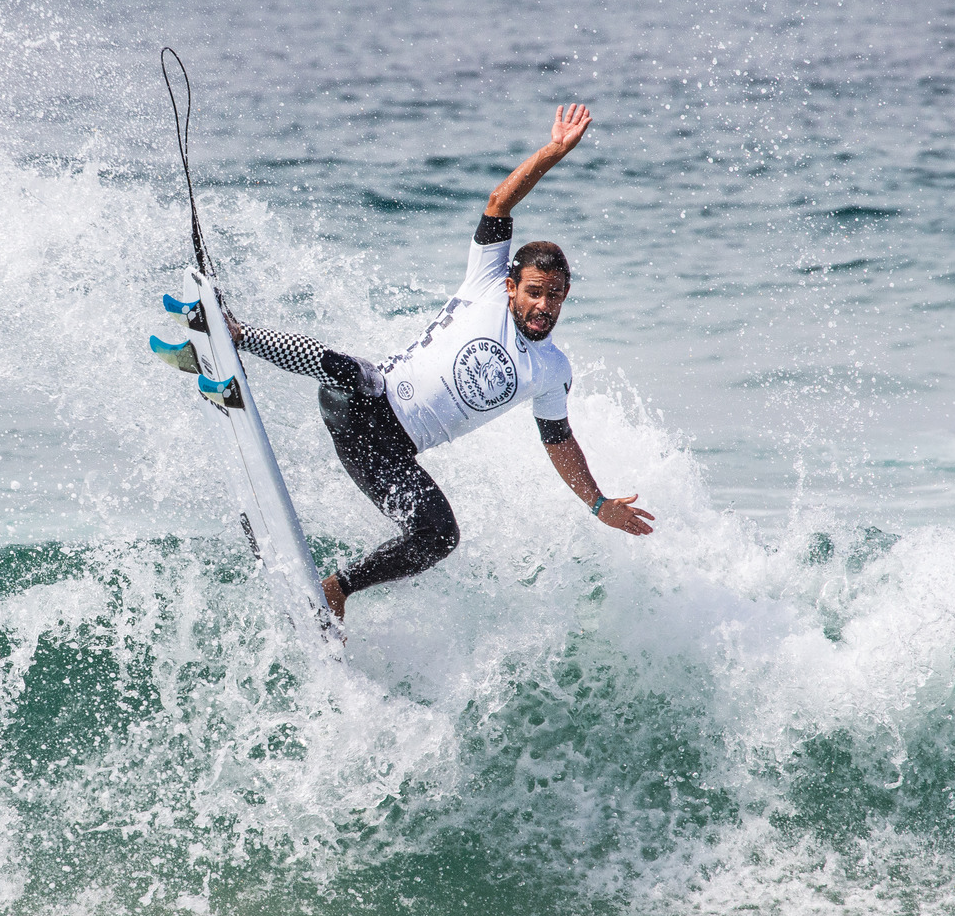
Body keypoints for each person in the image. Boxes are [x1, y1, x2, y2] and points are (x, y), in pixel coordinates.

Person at [231, 104, 654, 621]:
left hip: (386, 456)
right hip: (363, 400)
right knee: (358, 375)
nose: (545, 305)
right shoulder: (485, 285)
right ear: (511, 287)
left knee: (439, 536)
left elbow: (559, 442)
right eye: (535, 292)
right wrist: (553, 152)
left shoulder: (552, 371)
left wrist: (598, 504)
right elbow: (499, 203)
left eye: (556, 295)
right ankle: (240, 335)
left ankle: (336, 589)